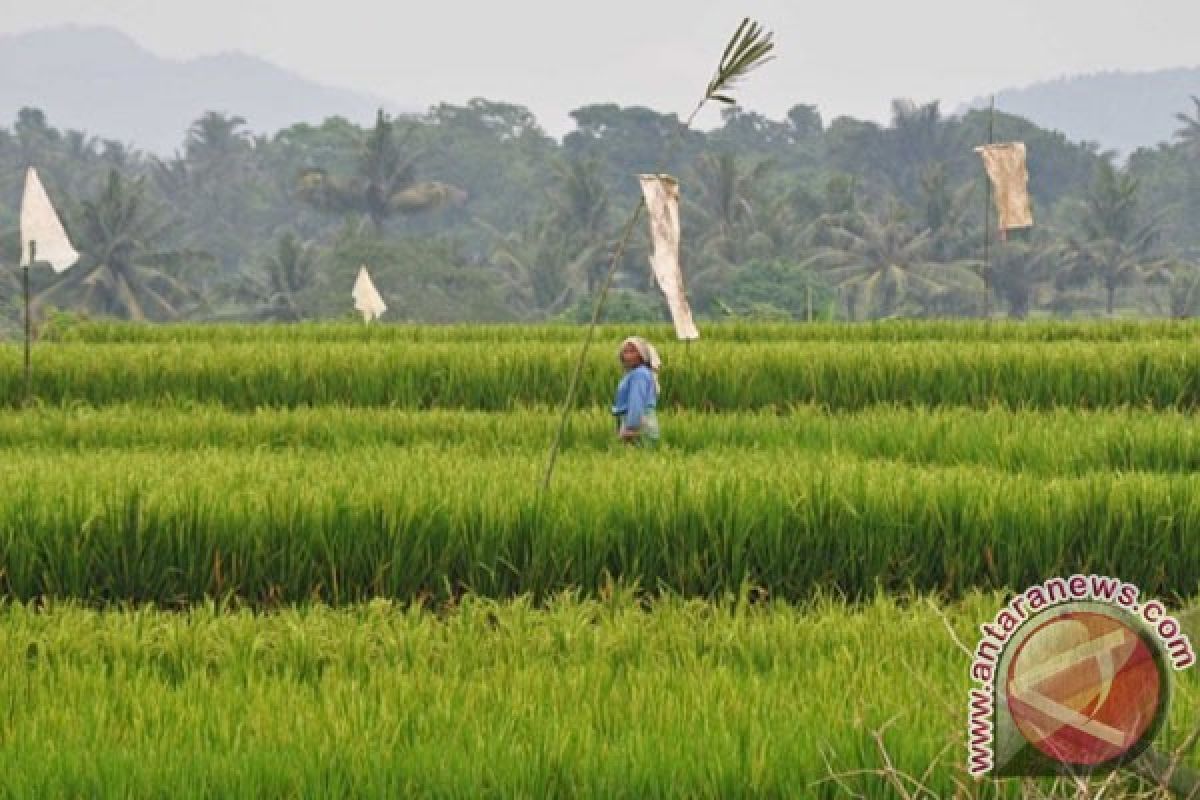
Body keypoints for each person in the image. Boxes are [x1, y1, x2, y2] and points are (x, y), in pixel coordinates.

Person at [612, 336, 661, 446]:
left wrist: (631, 428)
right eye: (625, 352)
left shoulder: (639, 374)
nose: (628, 355)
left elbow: (636, 402)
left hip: (639, 424)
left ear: (641, 355)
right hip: (635, 421)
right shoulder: (635, 374)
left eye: (633, 351)